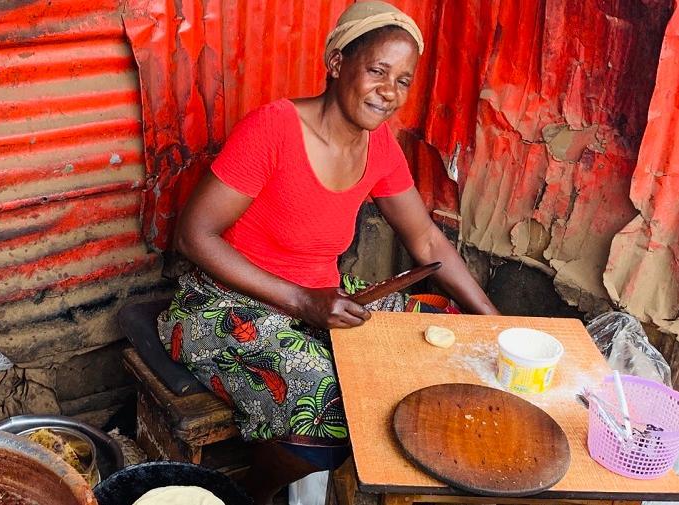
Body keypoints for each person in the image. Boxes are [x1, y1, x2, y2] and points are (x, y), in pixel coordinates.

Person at [157, 1, 499, 503]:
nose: (389, 91)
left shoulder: (379, 144)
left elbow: (426, 240)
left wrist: (494, 322)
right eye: (377, 70)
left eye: (403, 80)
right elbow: (194, 235)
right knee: (332, 399)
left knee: (437, 327)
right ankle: (251, 493)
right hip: (226, 305)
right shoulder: (274, 128)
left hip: (320, 301)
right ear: (337, 62)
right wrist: (301, 302)